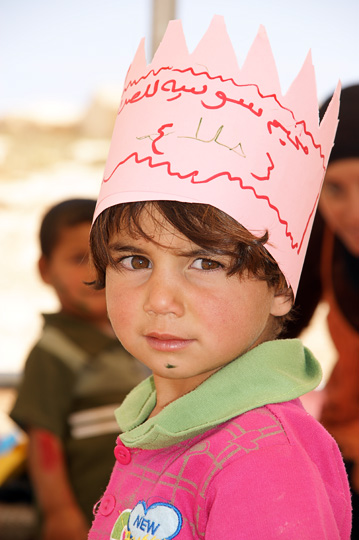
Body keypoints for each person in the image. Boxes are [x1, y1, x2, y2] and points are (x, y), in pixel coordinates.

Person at [88, 16, 352, 539]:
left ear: (280, 287)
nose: (160, 299)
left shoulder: (261, 460)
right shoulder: (158, 425)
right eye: (134, 261)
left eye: (206, 263)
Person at [10, 198, 150, 540]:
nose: (95, 272)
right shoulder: (53, 353)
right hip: (85, 521)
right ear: (45, 270)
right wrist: (60, 513)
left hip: (139, 518)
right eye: (78, 259)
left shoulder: (142, 340)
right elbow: (44, 441)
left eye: (110, 259)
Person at [282, 84, 359, 537]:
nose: (353, 212)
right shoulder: (323, 241)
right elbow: (273, 330)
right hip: (344, 462)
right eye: (333, 188)